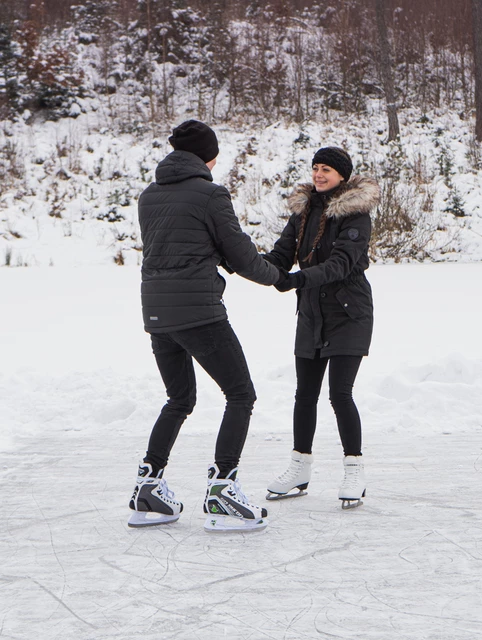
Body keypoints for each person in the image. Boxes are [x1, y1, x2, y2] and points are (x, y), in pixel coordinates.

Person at [128, 120, 282, 531]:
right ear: (206, 157)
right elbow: (240, 253)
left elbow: (190, 245)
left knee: (179, 400)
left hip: (157, 313)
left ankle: (149, 484)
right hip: (197, 311)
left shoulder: (149, 196)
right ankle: (222, 491)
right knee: (241, 394)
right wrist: (279, 277)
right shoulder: (211, 194)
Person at [263, 147, 379, 508]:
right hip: (313, 312)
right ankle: (300, 467)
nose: (318, 174)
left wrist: (298, 281)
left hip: (349, 312)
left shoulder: (356, 213)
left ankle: (354, 470)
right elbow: (281, 255)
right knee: (305, 395)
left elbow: (342, 264)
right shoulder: (305, 211)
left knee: (339, 394)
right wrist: (243, 260)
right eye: (315, 168)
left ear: (342, 175)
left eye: (325, 169)